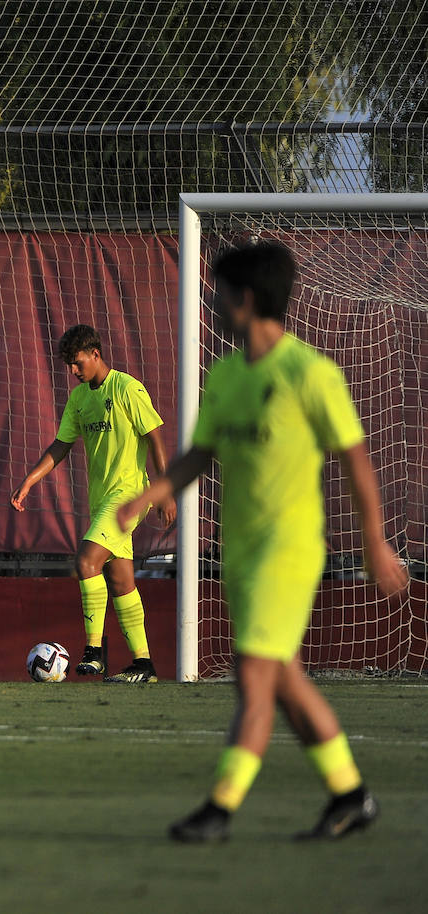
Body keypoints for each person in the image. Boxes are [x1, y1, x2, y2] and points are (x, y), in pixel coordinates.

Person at [118, 241, 409, 842]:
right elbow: (202, 452)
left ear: (244, 300)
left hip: (290, 551)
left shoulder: (310, 374)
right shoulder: (225, 374)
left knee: (252, 676)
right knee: (284, 681)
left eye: (218, 294)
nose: (212, 303)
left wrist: (375, 542)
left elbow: (355, 462)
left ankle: (219, 809)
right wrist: (151, 495)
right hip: (242, 552)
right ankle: (350, 795)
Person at [11, 324, 176, 682]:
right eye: (69, 365)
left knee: (87, 560)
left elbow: (156, 439)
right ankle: (143, 664)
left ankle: (94, 652)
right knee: (121, 582)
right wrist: (29, 480)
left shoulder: (127, 388)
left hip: (129, 495)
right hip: (103, 499)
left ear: (96, 354)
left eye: (77, 362)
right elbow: (60, 446)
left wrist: (163, 491)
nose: (73, 371)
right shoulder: (79, 399)